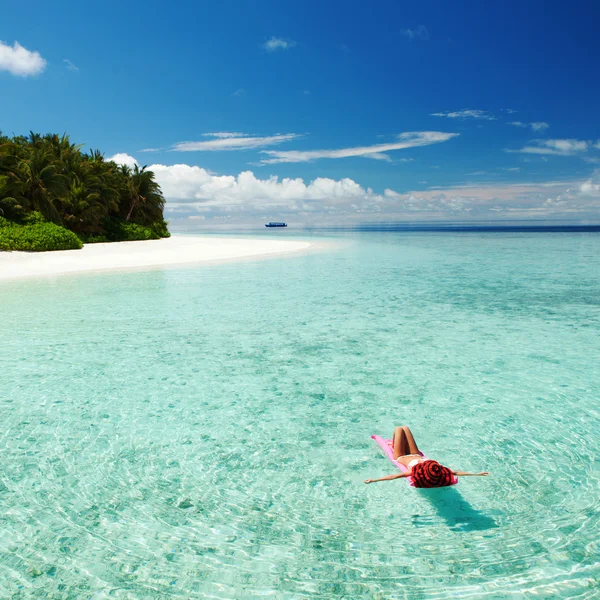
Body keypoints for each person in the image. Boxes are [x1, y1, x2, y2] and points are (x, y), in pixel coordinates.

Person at [364, 426, 489, 487]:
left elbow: (394, 476)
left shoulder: (412, 471)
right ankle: (394, 442)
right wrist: (477, 474)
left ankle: (393, 443)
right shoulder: (435, 468)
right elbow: (455, 472)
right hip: (416, 453)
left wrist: (375, 480)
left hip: (400, 456)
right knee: (405, 428)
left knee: (399, 429)